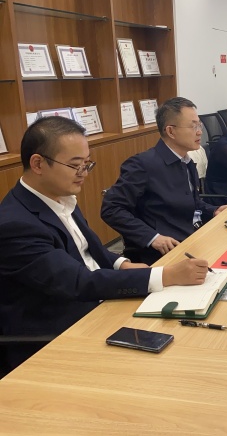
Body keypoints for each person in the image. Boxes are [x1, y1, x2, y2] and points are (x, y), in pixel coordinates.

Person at [0, 117, 209, 371]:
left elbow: (90, 250)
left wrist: (120, 264)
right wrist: (165, 275)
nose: (84, 173)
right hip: (58, 332)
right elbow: (78, 281)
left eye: (87, 164)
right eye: (75, 165)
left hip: (97, 305)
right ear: (38, 163)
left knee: (187, 333)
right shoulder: (15, 225)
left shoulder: (59, 196)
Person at [101, 97, 224, 265]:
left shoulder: (186, 161)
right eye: (193, 126)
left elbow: (193, 203)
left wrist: (214, 210)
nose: (199, 132)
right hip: (161, 254)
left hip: (190, 240)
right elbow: (111, 208)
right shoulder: (143, 165)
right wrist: (153, 238)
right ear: (171, 131)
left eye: (199, 125)